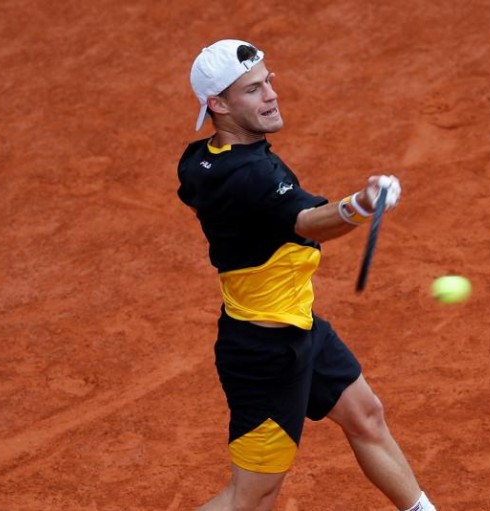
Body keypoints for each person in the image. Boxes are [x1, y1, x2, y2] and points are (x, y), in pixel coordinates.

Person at [177, 39, 437, 511]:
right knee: (250, 499)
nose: (271, 94)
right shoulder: (251, 175)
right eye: (253, 90)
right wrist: (361, 205)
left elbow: (252, 203)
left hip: (299, 327)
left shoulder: (201, 160)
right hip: (265, 356)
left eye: (268, 82)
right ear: (219, 105)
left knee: (366, 416)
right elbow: (308, 222)